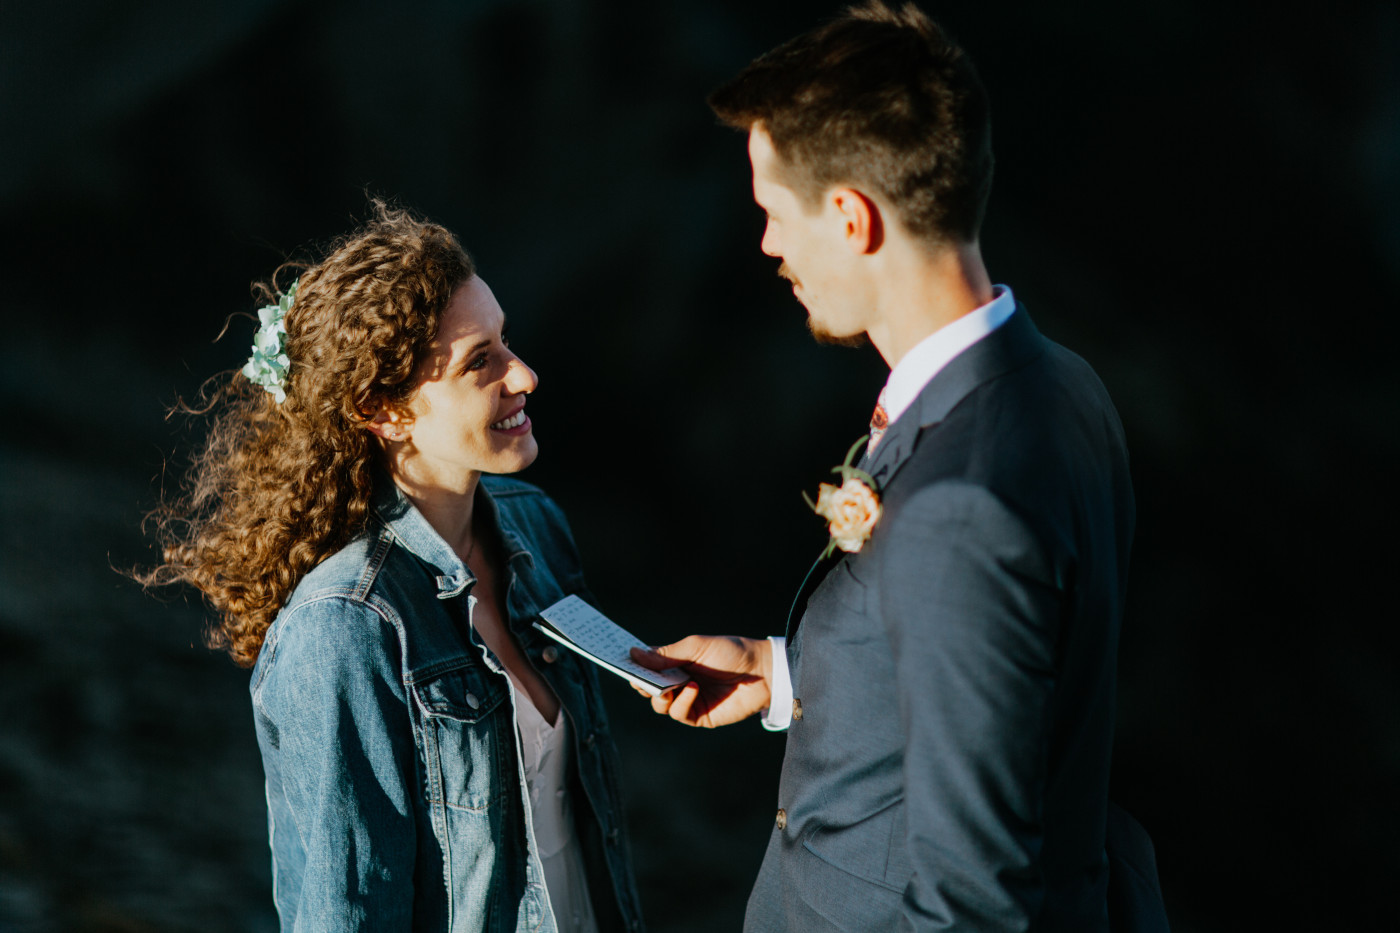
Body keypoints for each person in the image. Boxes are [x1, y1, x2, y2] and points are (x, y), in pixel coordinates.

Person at [632, 3, 1164, 931]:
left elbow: (974, 901)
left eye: (773, 212)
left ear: (850, 217)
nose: (767, 246)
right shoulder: (1063, 385)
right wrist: (782, 672)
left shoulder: (960, 502)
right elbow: (995, 678)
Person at [141, 202, 644, 932]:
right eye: (481, 361)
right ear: (384, 408)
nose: (525, 374)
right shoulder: (345, 625)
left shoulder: (538, 525)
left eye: (506, 341)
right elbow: (345, 912)